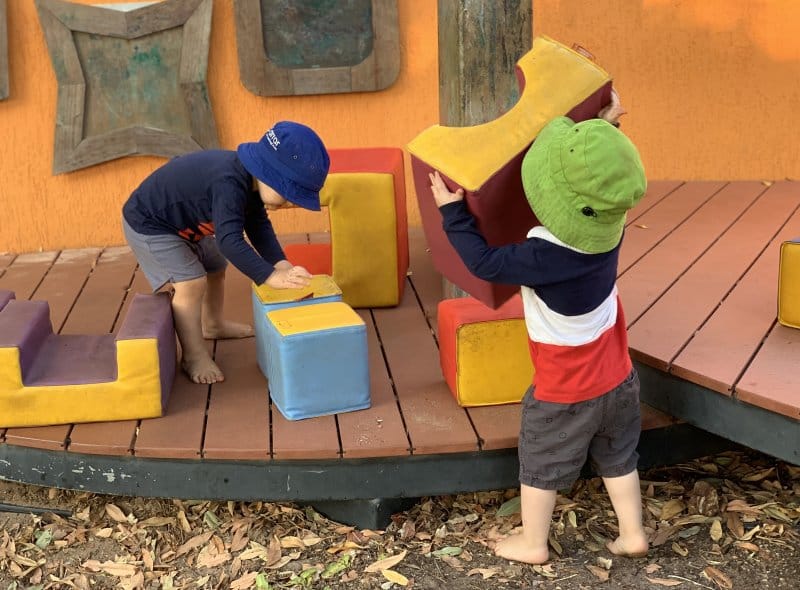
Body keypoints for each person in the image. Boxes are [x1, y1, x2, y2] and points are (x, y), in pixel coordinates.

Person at [428, 101, 649, 564]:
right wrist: (602, 129)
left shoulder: (541, 258)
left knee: (541, 463)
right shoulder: (610, 229)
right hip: (620, 380)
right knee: (618, 458)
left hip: (564, 393)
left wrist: (453, 213)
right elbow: (599, 188)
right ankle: (632, 534)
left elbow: (485, 263)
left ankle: (532, 544)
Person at [122, 121, 329, 385]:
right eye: (289, 194)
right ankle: (193, 356)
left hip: (184, 225)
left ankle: (213, 324)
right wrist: (268, 276)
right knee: (191, 283)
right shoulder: (229, 182)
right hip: (151, 223)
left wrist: (281, 264)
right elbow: (230, 241)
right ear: (270, 175)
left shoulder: (252, 182)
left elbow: (258, 227)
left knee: (216, 266)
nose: (290, 203)